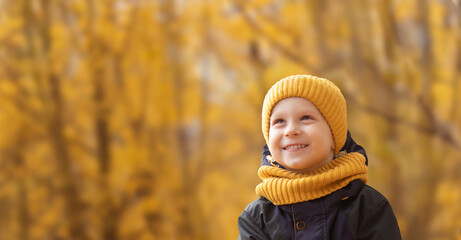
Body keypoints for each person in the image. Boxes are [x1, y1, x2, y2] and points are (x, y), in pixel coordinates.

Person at [238, 75, 401, 239]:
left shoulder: (368, 207)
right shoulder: (256, 219)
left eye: (306, 118)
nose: (290, 130)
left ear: (334, 136)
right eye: (279, 121)